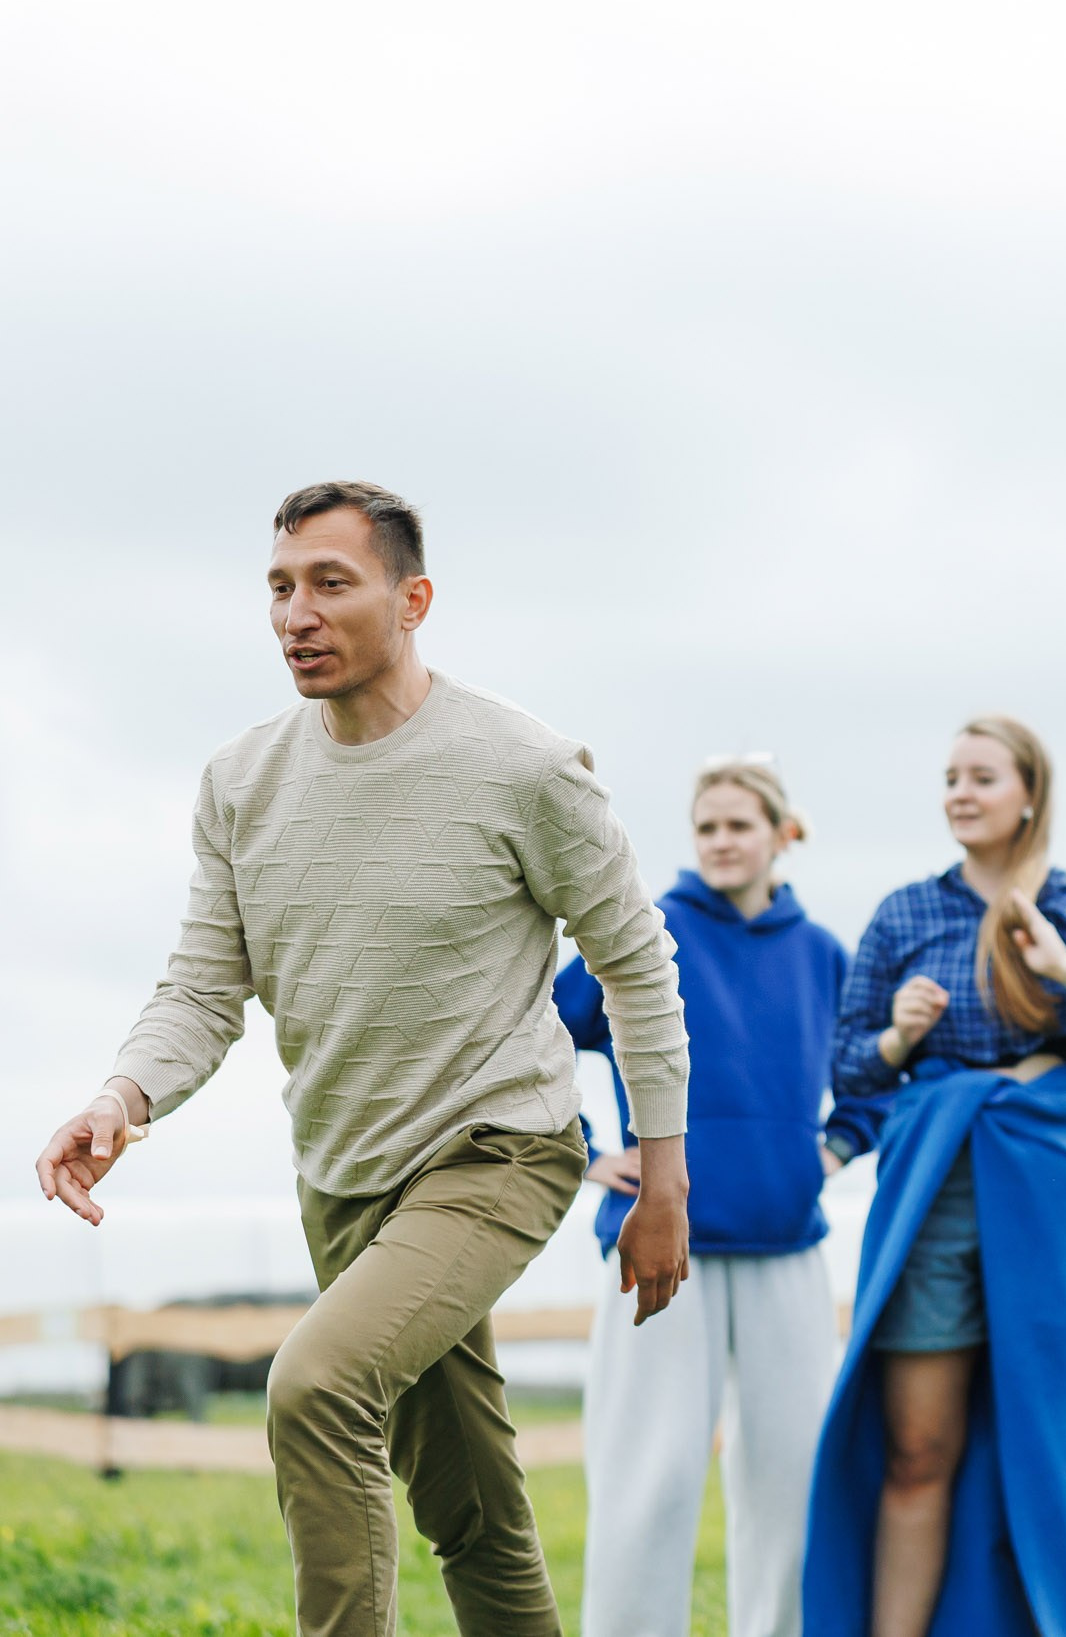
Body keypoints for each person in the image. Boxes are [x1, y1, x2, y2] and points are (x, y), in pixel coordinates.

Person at [30, 482, 692, 1637]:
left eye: (332, 583)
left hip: (500, 1149)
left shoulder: (526, 769)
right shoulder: (241, 781)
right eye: (280, 588)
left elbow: (638, 963)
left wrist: (666, 1178)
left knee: (316, 1382)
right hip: (344, 1175)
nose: (298, 613)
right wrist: (121, 1094)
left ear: (412, 597)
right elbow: (201, 983)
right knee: (468, 1503)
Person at [801, 716, 1066, 1637]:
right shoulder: (904, 912)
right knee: (918, 1444)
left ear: (1028, 794)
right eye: (949, 778)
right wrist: (898, 1033)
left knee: (1048, 1446)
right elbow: (851, 1071)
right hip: (931, 1178)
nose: (960, 793)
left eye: (981, 776)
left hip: (1048, 1183)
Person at [556, 756, 888, 1637]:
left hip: (786, 1248)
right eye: (706, 827)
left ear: (782, 835)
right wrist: (585, 1150)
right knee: (649, 1478)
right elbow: (523, 1031)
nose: (721, 841)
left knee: (792, 1483)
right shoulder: (647, 931)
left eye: (740, 825)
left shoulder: (823, 955)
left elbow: (871, 1075)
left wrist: (830, 1150)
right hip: (660, 1249)